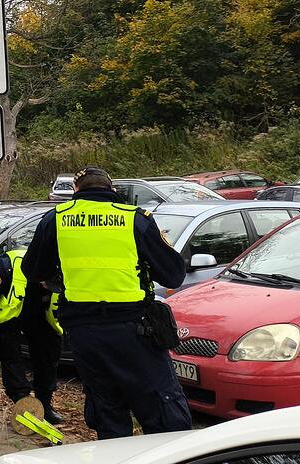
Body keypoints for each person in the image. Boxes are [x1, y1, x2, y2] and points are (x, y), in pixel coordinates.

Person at [21, 166, 192, 440]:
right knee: (162, 412)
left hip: (84, 334)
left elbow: (33, 271)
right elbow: (172, 273)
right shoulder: (134, 219)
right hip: (134, 331)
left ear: (76, 192)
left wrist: (61, 277)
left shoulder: (55, 220)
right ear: (112, 190)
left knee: (107, 410)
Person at [0, 248, 65, 424]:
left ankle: (44, 406)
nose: (48, 287)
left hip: (39, 316)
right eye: (46, 283)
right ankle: (24, 404)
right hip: (8, 319)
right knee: (12, 359)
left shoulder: (58, 268)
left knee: (48, 356)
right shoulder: (6, 268)